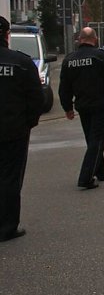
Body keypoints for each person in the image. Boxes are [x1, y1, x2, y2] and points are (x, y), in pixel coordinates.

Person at [59, 27, 104, 189]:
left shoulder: (69, 60)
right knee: (97, 140)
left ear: (79, 40)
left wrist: (67, 107)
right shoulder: (101, 57)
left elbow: (64, 87)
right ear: (95, 39)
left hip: (82, 106)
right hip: (101, 105)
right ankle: (86, 177)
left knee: (92, 139)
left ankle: (100, 171)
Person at [0, 16, 42, 241]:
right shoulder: (22, 62)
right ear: (7, 35)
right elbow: (37, 98)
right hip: (13, 130)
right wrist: (29, 122)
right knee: (10, 178)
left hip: (15, 128)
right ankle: (7, 226)